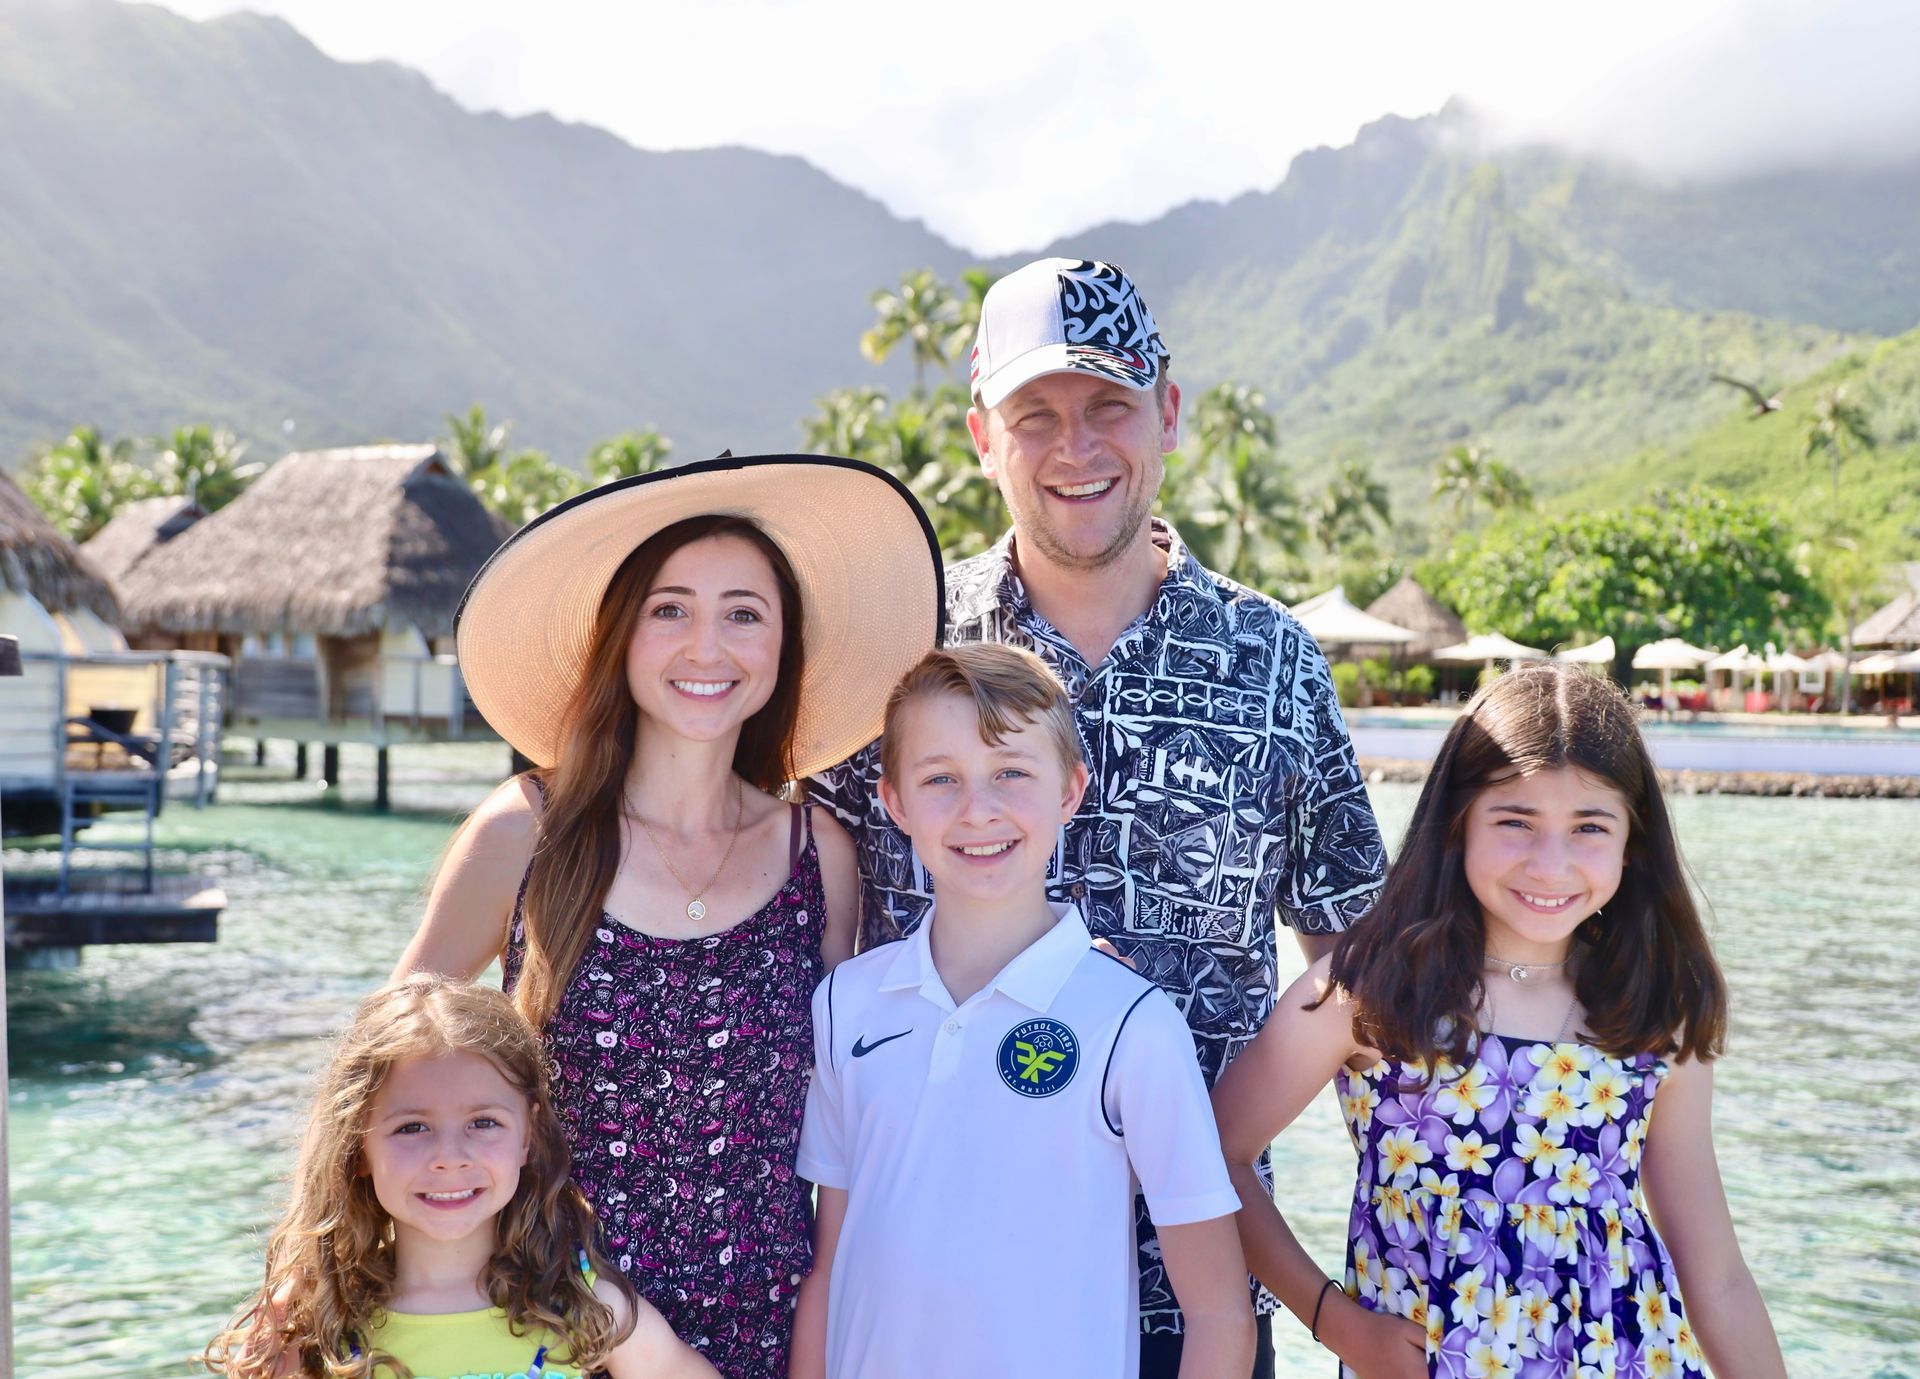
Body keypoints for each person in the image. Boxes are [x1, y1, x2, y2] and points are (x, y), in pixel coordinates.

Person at [811, 257, 1387, 1371]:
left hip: (1201, 1302)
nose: (1076, 447)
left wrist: (1348, 1293)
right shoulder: (901, 650)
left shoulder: (1274, 663)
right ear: (983, 434)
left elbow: (1361, 977)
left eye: (1108, 406)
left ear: (1167, 412)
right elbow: (822, 951)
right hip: (929, 1295)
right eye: (1037, 416)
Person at [397, 454, 945, 1378]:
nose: (707, 646)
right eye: (670, 609)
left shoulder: (822, 856)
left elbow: (857, 1116)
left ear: (782, 647)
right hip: (547, 1330)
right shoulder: (525, 831)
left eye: (744, 613)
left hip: (767, 1342)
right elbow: (382, 1080)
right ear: (623, 635)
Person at [1212, 663, 1787, 1378]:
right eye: (1516, 821)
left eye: (1589, 826)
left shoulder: (1653, 1009)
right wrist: (1337, 1322)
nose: (1551, 863)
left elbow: (1717, 1272)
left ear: (1632, 841)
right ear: (1457, 823)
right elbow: (1211, 1157)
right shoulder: (1374, 991)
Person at [791, 644, 1254, 1379]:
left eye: (1011, 771)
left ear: (1070, 790)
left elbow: (1219, 1312)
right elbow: (828, 1266)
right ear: (895, 802)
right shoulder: (847, 1004)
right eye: (941, 778)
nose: (980, 809)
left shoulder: (1131, 1025)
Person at [204, 974, 721, 1379]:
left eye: (482, 1123)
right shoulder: (320, 1326)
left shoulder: (583, 1305)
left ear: (527, 1136)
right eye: (412, 1127)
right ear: (358, 1144)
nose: (449, 1157)